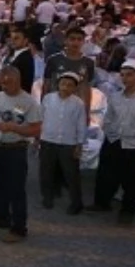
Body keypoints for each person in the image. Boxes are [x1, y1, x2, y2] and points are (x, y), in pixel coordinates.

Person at [89, 60, 135, 225]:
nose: (125, 78)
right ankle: (102, 203)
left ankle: (127, 211)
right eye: (122, 75)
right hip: (114, 141)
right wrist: (110, 133)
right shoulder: (115, 97)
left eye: (129, 75)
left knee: (133, 181)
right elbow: (108, 119)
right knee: (106, 175)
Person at [0, 66, 42, 243]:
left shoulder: (29, 102)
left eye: (9, 82)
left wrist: (14, 127)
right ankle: (0, 218)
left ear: (18, 80)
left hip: (15, 147)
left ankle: (19, 228)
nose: (5, 86)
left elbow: (36, 129)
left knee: (15, 189)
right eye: (2, 82)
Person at [38, 71, 87, 214]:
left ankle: (76, 202)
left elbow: (81, 125)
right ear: (57, 84)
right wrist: (36, 137)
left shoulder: (78, 104)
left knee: (71, 174)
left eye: (70, 85)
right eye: (63, 83)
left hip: (68, 142)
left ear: (75, 88)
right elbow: (40, 118)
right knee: (46, 170)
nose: (66, 87)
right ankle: (47, 197)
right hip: (48, 139)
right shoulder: (48, 99)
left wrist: (79, 144)